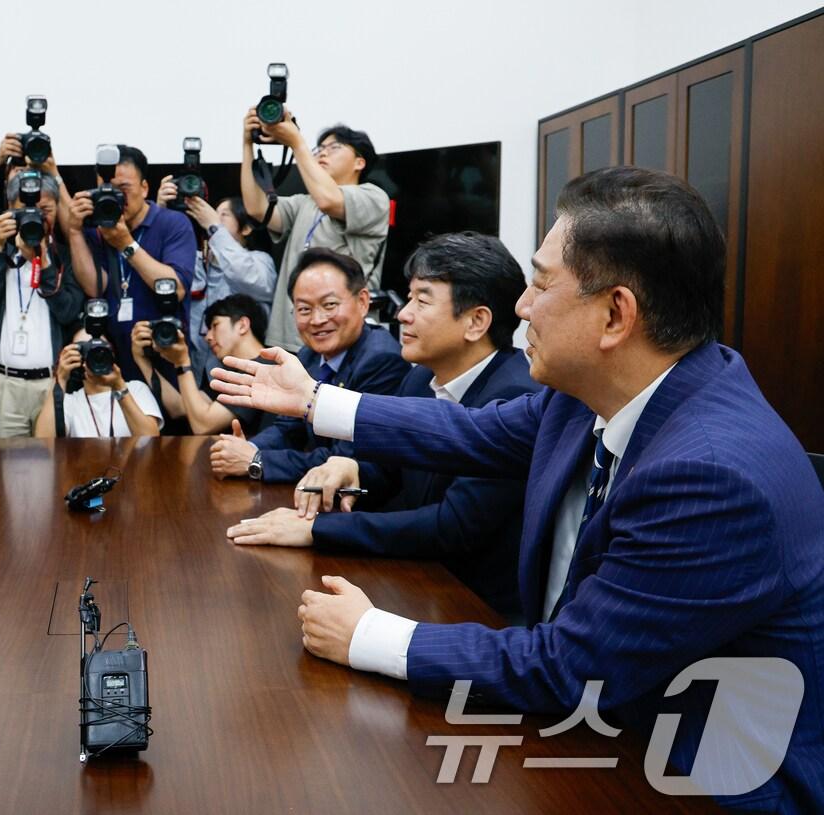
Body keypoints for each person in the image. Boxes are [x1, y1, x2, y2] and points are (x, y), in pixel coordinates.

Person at [211, 167, 824, 812]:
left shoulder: (710, 476)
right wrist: (315, 401)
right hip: (606, 725)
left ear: (615, 314)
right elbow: (469, 431)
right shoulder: (592, 394)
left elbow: (571, 667)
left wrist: (369, 635)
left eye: (540, 283)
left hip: (694, 778)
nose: (522, 306)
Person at [225, 232, 536, 617]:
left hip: (477, 610)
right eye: (409, 298)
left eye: (422, 300)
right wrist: (352, 468)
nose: (403, 314)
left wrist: (317, 529)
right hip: (417, 581)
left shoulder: (515, 396)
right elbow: (390, 470)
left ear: (476, 321)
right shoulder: (420, 377)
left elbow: (452, 527)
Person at [210, 248, 407, 483]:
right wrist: (246, 448)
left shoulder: (381, 360)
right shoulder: (309, 355)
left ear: (363, 302)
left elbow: (345, 458)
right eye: (304, 309)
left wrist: (257, 460)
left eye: (330, 304)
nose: (317, 320)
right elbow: (288, 428)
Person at [240, 112, 389, 352]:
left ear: (359, 162)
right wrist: (247, 144)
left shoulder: (373, 196)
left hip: (342, 337)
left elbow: (329, 200)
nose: (323, 153)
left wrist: (296, 142)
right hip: (293, 333)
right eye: (319, 148)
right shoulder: (306, 202)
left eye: (334, 147)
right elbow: (257, 208)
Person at [69, 145, 197, 382]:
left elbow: (176, 287)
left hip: (163, 353)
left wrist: (126, 244)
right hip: (113, 362)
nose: (115, 198)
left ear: (144, 187)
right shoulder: (97, 229)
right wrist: (75, 231)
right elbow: (95, 288)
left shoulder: (172, 223)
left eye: (123, 189)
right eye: (107, 190)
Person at [0, 171, 85, 436]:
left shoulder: (66, 257)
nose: (35, 218)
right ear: (10, 210)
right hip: (6, 383)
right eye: (26, 211)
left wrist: (45, 264)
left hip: (51, 382)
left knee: (53, 459)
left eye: (44, 210)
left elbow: (68, 312)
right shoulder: (0, 253)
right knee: (4, 460)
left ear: (56, 210)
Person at [154, 185, 276, 379]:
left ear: (246, 228)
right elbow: (158, 267)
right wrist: (161, 212)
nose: (213, 218)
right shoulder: (197, 262)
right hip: (194, 370)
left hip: (241, 373)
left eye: (223, 215)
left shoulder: (260, 260)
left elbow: (248, 278)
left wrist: (214, 227)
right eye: (213, 214)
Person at [131, 294, 273, 436]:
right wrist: (142, 361)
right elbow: (180, 407)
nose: (208, 337)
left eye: (215, 325)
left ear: (242, 325)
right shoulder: (232, 373)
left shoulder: (263, 369)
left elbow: (203, 425)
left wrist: (182, 363)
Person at [34, 328, 162, 438]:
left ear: (112, 354)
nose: (92, 355)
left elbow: (151, 438)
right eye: (83, 349)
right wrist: (60, 378)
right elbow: (44, 440)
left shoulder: (136, 389)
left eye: (99, 349)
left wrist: (119, 387)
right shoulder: (70, 402)